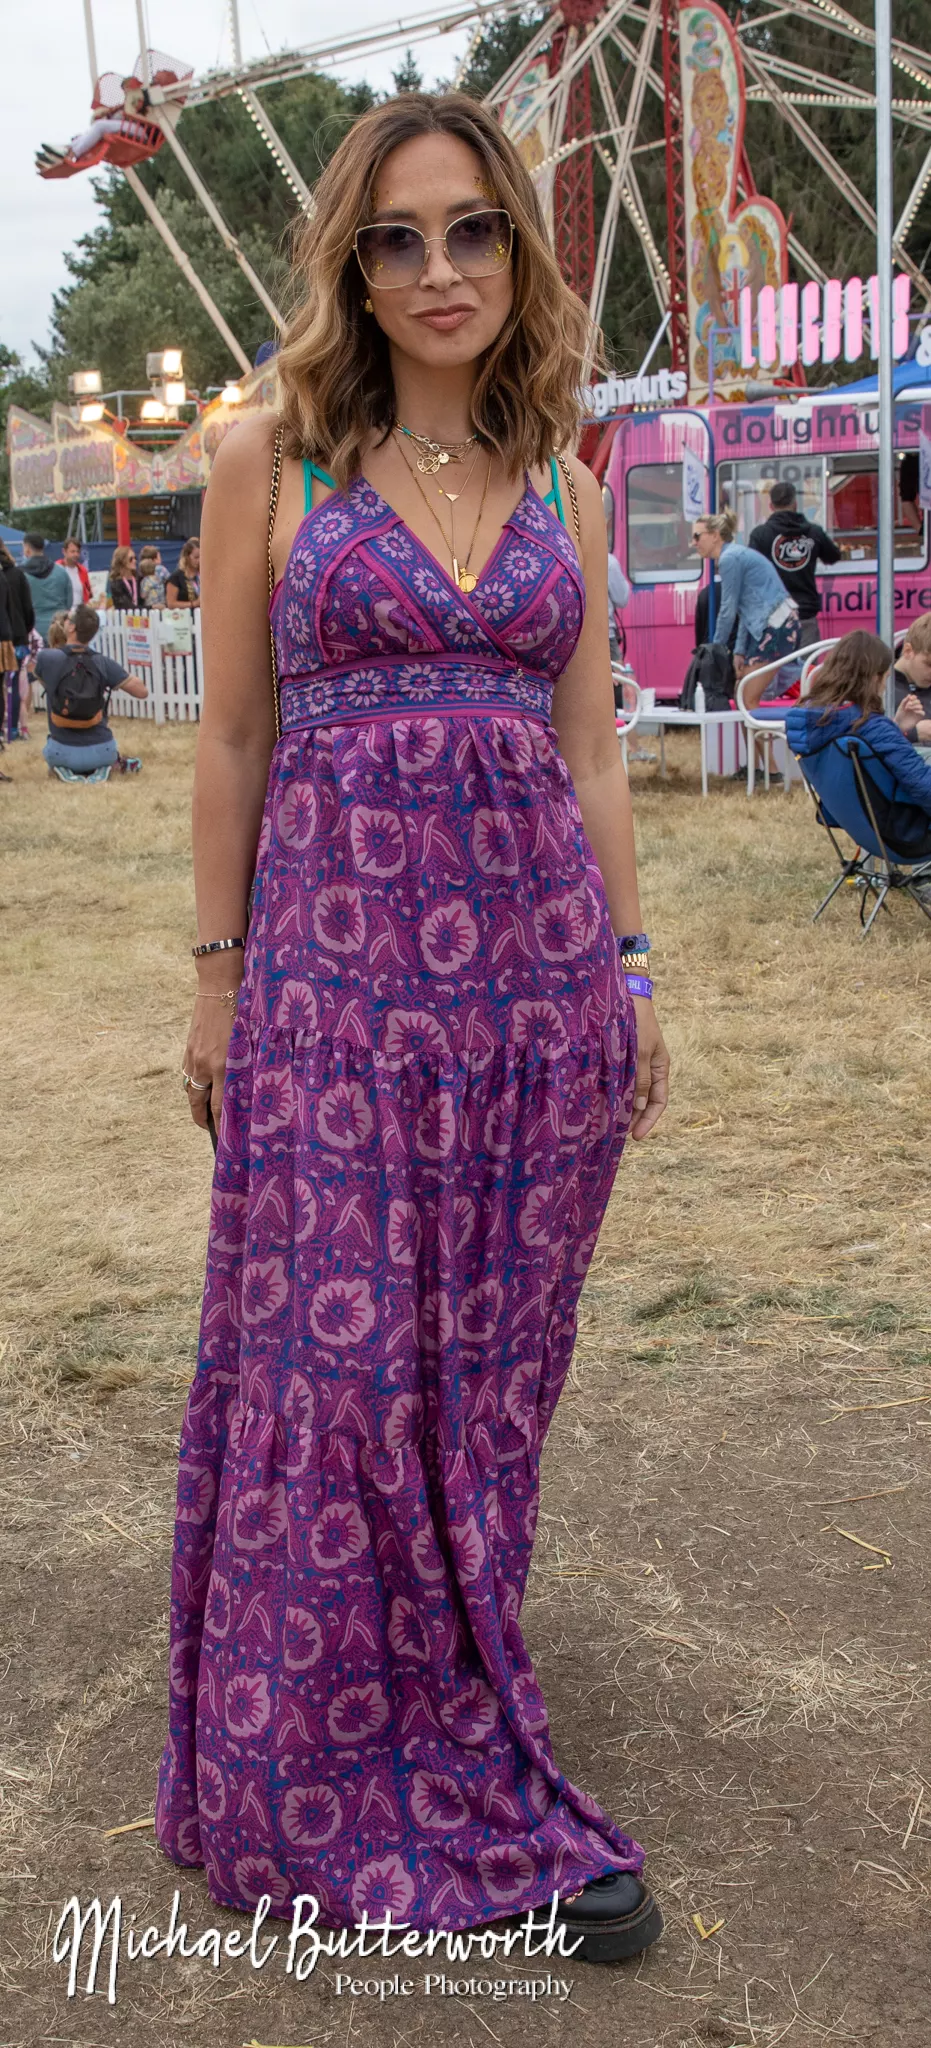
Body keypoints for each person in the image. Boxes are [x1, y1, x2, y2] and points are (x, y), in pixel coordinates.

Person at [157, 89, 670, 1962]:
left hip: (533, 1006)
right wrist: (217, 978)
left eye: (471, 231)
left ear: (517, 251)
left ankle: (451, 1694)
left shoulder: (566, 489)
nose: (439, 268)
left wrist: (630, 975)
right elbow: (230, 737)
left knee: (486, 1383)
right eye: (398, 237)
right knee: (342, 1381)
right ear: (352, 267)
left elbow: (591, 752)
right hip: (335, 1003)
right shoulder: (271, 462)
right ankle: (317, 1768)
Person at [785, 629, 931, 838]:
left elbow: (873, 766)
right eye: (885, 678)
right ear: (873, 678)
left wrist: (896, 728)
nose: (884, 687)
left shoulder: (811, 721)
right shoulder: (870, 726)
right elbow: (923, 786)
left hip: (861, 827)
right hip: (906, 833)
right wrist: (893, 730)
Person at [33, 602, 146, 776]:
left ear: (71, 627)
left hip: (61, 752)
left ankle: (65, 769)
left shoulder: (47, 658)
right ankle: (102, 768)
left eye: (68, 619)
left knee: (51, 747)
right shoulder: (102, 662)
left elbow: (44, 683)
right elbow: (142, 692)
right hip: (102, 752)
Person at [748, 481, 841, 649]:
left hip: (774, 616)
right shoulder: (813, 532)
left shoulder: (760, 535)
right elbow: (833, 556)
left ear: (771, 506)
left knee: (779, 664)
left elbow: (751, 574)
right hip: (805, 614)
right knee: (806, 664)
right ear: (795, 504)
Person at [0, 541, 35, 741]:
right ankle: (12, 729)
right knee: (13, 683)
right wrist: (25, 629)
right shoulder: (17, 574)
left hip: (6, 634)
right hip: (18, 635)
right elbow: (28, 607)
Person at [891, 613, 931, 759]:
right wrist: (913, 734)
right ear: (908, 651)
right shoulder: (881, 688)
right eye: (929, 664)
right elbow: (867, 741)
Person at [22, 534, 73, 643]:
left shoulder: (20, 574)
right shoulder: (61, 572)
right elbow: (69, 602)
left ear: (27, 549)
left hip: (33, 632)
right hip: (59, 629)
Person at [57, 537, 93, 608]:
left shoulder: (83, 570)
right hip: (62, 611)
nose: (76, 554)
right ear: (64, 552)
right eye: (72, 551)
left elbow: (89, 594)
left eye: (78, 552)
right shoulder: (56, 569)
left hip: (80, 611)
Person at [164, 539, 200, 608]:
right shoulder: (176, 577)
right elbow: (170, 604)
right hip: (185, 613)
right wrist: (194, 604)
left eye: (202, 557)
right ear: (187, 557)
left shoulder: (204, 575)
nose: (199, 560)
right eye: (196, 557)